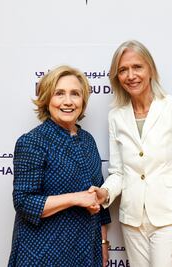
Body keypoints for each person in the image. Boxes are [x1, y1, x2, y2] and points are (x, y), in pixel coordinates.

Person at [90, 40, 172, 267]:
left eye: (137, 67)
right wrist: (104, 193)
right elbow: (119, 172)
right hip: (132, 221)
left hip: (170, 219)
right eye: (123, 70)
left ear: (150, 69)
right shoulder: (116, 116)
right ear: (117, 77)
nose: (131, 75)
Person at [8, 65, 111, 267]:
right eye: (59, 94)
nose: (68, 101)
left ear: (83, 101)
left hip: (85, 251)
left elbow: (97, 200)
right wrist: (75, 198)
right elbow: (24, 202)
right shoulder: (32, 142)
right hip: (42, 253)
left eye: (75, 94)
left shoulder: (87, 140)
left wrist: (103, 242)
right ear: (47, 99)